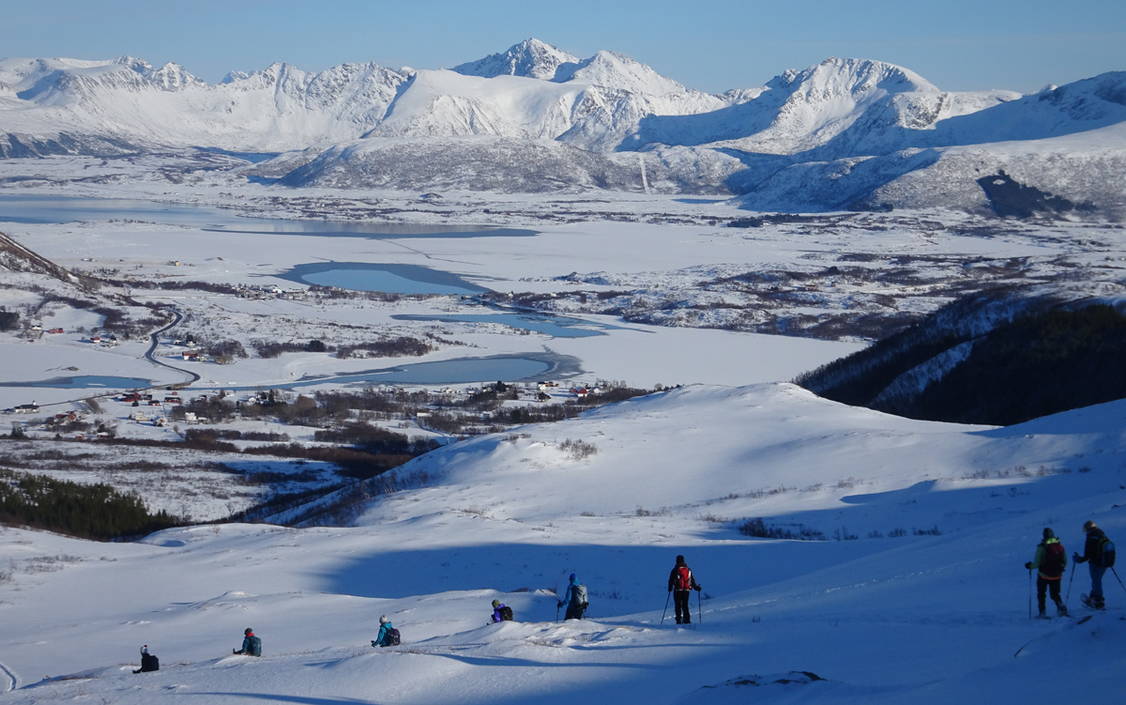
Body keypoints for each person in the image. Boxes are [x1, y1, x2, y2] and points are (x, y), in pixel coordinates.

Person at [1024, 527, 1068, 617]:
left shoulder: (1042, 547)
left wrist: (1029, 566)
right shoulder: (1060, 546)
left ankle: (1042, 613)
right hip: (1057, 575)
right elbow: (1065, 561)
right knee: (1055, 594)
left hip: (1043, 575)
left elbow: (1036, 564)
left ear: (1044, 536)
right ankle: (1061, 608)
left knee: (1041, 594)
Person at [1074, 520, 1112, 609]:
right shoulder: (1101, 534)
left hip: (1095, 563)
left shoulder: (1091, 537)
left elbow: (1087, 555)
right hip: (1104, 563)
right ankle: (1093, 597)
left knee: (1096, 581)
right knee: (1097, 580)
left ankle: (1098, 601)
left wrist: (1078, 559)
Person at [667, 554, 701, 624]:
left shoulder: (675, 569)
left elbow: (671, 580)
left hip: (677, 590)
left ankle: (678, 620)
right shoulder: (688, 570)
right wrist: (696, 587)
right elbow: (692, 580)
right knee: (685, 605)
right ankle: (687, 620)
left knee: (678, 605)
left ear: (676, 561)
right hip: (686, 590)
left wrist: (670, 588)